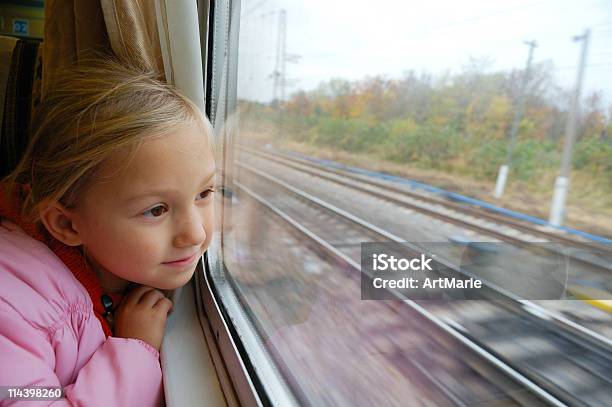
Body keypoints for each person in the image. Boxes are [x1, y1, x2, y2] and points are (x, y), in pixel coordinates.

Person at [0, 59, 216, 406]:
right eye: (156, 210)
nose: (195, 233)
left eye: (204, 193)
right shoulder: (12, 309)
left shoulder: (108, 267)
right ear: (67, 224)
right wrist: (135, 351)